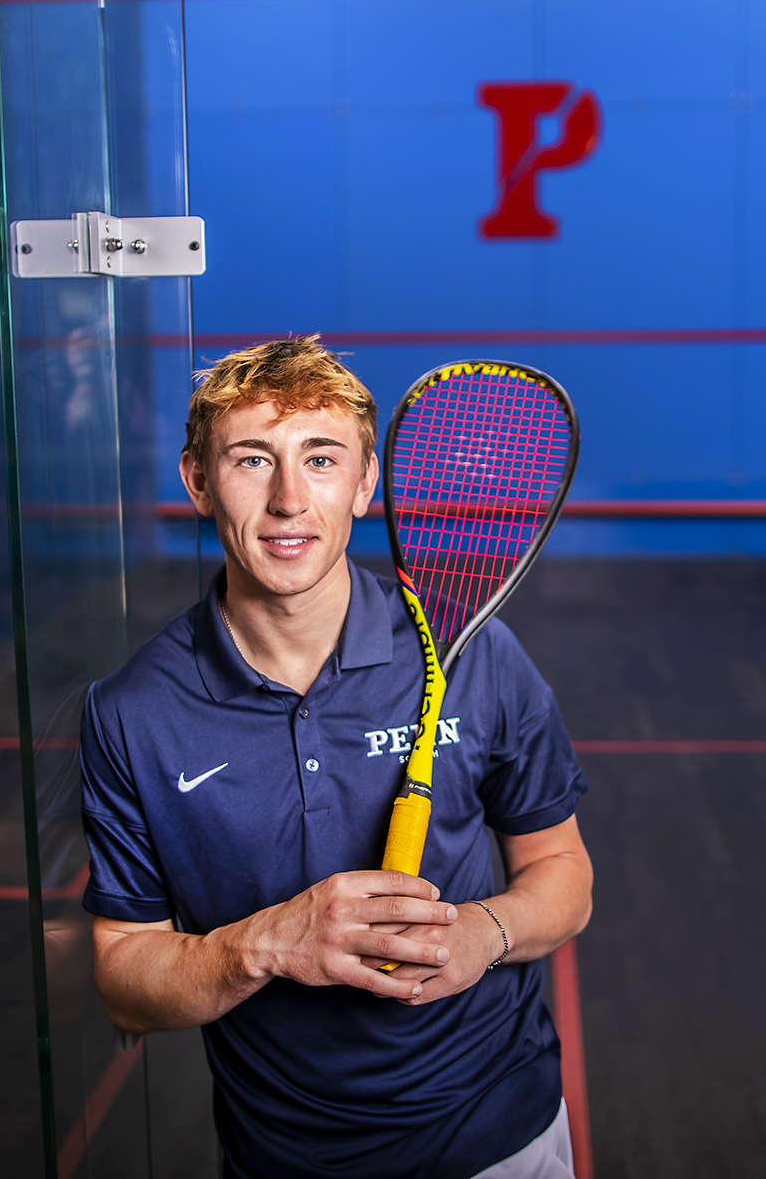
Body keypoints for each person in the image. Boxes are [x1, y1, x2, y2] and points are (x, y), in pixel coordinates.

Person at [80, 336, 593, 1179]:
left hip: (503, 1133)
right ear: (199, 480)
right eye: (253, 458)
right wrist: (266, 944)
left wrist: (483, 931)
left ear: (364, 485)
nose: (289, 499)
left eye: (320, 459)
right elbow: (123, 976)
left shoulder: (476, 653)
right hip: (286, 1158)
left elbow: (562, 871)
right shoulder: (133, 712)